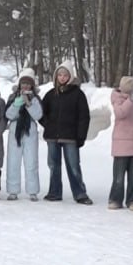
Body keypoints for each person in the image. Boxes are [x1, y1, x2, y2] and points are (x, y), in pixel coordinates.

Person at [40, 63, 92, 204]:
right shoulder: (51, 94)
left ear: (70, 77)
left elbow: (84, 117)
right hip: (52, 136)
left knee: (74, 165)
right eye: (60, 75)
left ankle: (80, 193)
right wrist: (48, 124)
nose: (62, 77)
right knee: (53, 165)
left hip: (70, 136)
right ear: (56, 76)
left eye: (65, 75)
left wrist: (81, 136)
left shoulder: (78, 94)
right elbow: (41, 112)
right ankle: (54, 192)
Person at [109, 76, 133, 210]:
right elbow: (121, 114)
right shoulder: (118, 100)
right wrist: (130, 100)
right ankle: (115, 199)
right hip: (121, 147)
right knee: (119, 177)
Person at [5, 69, 42, 200]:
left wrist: (29, 104)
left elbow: (38, 115)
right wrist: (17, 104)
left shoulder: (36, 98)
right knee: (13, 161)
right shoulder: (13, 97)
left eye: (28, 84)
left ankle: (33, 191)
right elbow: (8, 115)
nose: (25, 86)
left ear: (32, 86)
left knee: (31, 161)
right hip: (15, 130)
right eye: (23, 83)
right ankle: (13, 190)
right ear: (19, 85)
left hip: (30, 130)